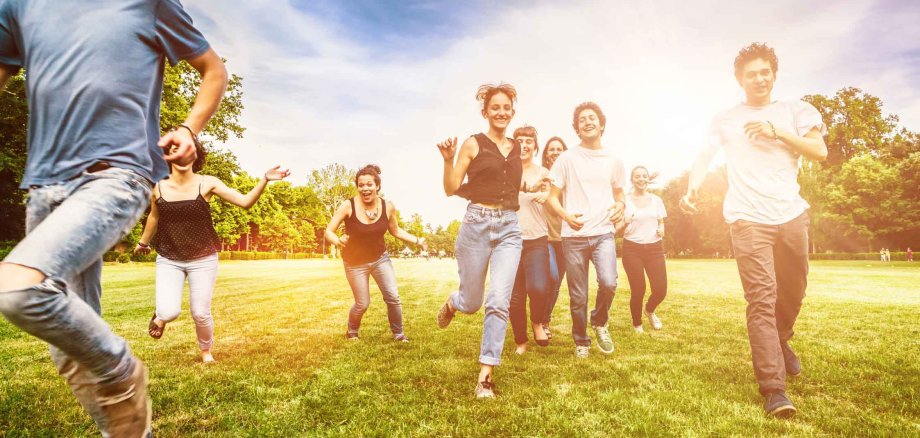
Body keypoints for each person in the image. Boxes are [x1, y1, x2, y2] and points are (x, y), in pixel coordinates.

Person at [0, 1, 227, 435]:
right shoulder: (19, 6)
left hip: (116, 174)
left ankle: (120, 371)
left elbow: (214, 70)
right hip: (44, 188)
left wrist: (189, 128)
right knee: (67, 350)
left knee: (20, 289)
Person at [680, 43, 827, 418]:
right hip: (747, 219)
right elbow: (703, 157)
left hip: (792, 215)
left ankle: (782, 338)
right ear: (739, 80)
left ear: (774, 75)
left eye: (765, 72)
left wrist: (777, 132)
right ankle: (774, 390)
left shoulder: (796, 111)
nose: (759, 79)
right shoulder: (725, 118)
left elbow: (819, 152)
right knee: (761, 299)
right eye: (751, 74)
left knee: (793, 292)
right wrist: (692, 186)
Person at [135, 142, 290, 363]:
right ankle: (161, 317)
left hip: (203, 258)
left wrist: (264, 179)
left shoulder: (207, 183)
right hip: (169, 258)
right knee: (169, 312)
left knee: (200, 313)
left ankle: (206, 351)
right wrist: (143, 243)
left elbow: (245, 202)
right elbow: (154, 217)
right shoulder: (158, 187)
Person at [435, 83, 523, 398]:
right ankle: (454, 302)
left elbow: (512, 185)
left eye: (506, 107)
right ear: (485, 112)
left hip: (510, 228)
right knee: (472, 303)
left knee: (499, 300)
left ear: (513, 111)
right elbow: (451, 188)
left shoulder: (517, 149)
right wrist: (448, 160)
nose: (501, 112)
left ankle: (485, 376)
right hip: (476, 225)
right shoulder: (473, 144)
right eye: (495, 107)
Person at [545, 102, 626, 358]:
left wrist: (621, 204)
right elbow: (551, 197)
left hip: (603, 232)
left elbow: (619, 191)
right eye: (582, 120)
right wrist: (566, 216)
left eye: (592, 118)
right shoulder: (566, 159)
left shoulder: (614, 160)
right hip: (573, 237)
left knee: (609, 282)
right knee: (578, 295)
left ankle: (600, 321)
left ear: (601, 124)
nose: (587, 122)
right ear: (577, 128)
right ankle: (581, 340)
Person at [323, 164, 426, 342]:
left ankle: (399, 335)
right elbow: (328, 231)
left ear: (377, 186)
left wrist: (417, 240)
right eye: (361, 185)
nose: (365, 188)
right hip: (355, 263)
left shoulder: (388, 207)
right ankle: (352, 332)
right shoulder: (348, 206)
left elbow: (396, 231)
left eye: (369, 184)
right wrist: (337, 241)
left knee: (393, 297)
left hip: (380, 259)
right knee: (362, 303)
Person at [509, 126, 551, 354]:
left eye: (528, 141)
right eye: (519, 141)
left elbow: (552, 196)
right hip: (510, 241)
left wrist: (547, 194)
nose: (524, 145)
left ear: (535, 146)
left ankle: (537, 322)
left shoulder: (543, 172)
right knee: (514, 298)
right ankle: (520, 341)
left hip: (536, 239)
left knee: (538, 287)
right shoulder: (505, 171)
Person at [621, 166, 668, 334]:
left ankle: (649, 310)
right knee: (638, 288)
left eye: (644, 176)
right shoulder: (624, 200)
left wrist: (662, 228)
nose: (641, 179)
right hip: (632, 248)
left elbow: (661, 221)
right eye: (637, 176)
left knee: (661, 289)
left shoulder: (656, 200)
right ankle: (637, 324)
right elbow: (616, 228)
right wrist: (624, 222)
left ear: (648, 179)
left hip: (655, 248)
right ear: (632, 180)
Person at [541, 136, 568, 340]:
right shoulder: (542, 176)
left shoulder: (571, 177)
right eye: (552, 149)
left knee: (557, 283)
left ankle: (544, 320)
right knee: (552, 276)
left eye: (559, 149)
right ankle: (540, 319)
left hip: (567, 238)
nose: (556, 152)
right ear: (546, 153)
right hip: (546, 237)